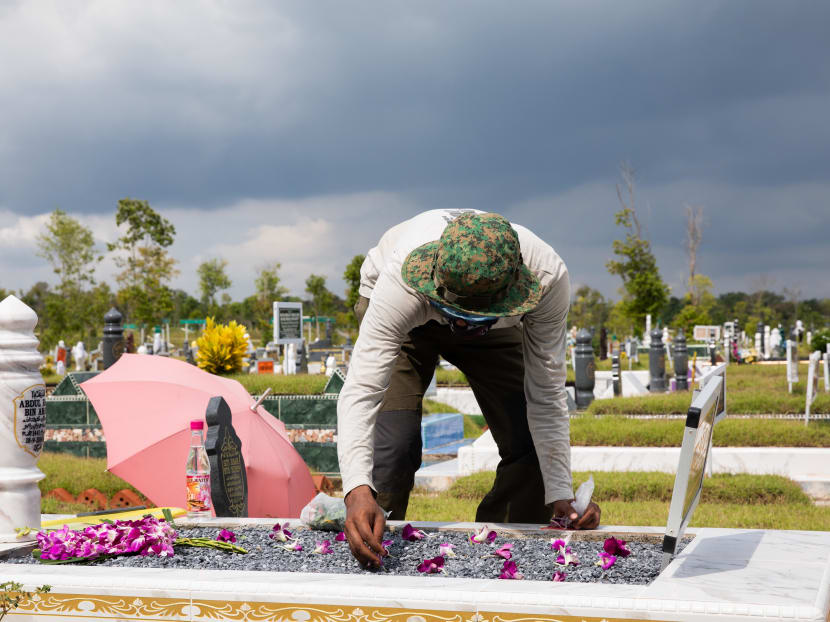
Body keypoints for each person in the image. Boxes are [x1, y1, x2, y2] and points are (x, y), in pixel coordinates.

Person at [337, 210, 601, 567]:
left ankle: (498, 558)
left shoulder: (547, 279)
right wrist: (355, 489)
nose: (461, 325)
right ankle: (370, 550)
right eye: (456, 313)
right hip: (412, 312)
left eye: (474, 318)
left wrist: (561, 494)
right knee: (392, 447)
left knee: (529, 444)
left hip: (495, 325)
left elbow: (547, 393)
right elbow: (362, 389)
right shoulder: (402, 282)